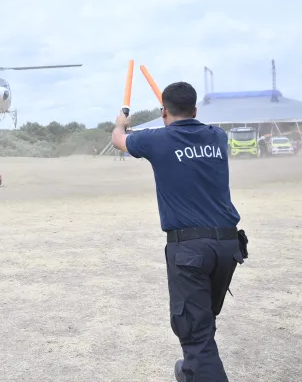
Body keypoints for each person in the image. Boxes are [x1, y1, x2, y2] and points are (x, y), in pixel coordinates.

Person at [111, 81, 247, 382]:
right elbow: (189, 136)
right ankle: (189, 373)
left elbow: (119, 139)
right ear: (195, 109)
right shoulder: (218, 136)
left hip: (190, 250)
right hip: (227, 245)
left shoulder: (156, 140)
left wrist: (121, 122)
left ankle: (196, 370)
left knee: (196, 334)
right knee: (203, 321)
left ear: (163, 112)